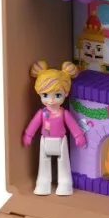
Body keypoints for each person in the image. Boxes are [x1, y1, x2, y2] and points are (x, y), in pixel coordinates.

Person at [22, 60, 86, 195]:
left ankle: (65, 183)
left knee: (63, 164)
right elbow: (33, 124)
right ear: (39, 94)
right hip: (45, 141)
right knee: (43, 164)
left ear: (65, 93)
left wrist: (78, 136)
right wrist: (28, 135)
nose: (51, 100)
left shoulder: (64, 113)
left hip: (61, 141)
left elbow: (73, 125)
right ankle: (43, 183)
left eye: (57, 95)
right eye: (45, 95)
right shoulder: (42, 113)